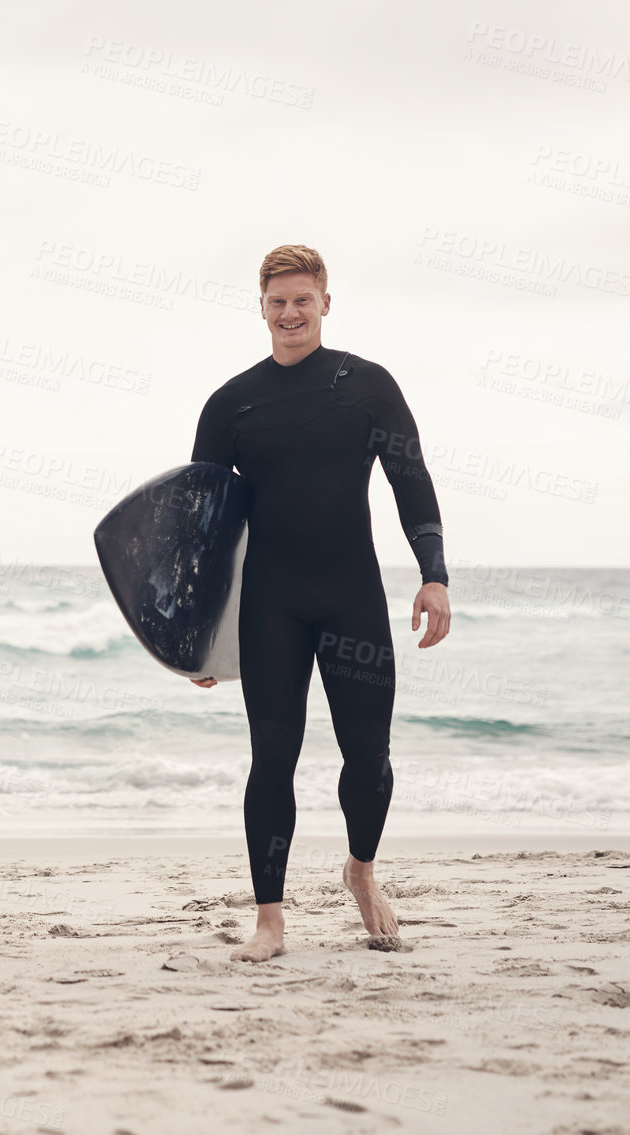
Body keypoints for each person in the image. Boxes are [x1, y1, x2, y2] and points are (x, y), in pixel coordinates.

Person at [189, 245, 451, 962]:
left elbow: (410, 477)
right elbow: (203, 525)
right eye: (277, 301)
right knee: (271, 757)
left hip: (351, 595)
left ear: (325, 303)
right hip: (270, 604)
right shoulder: (231, 404)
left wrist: (433, 572)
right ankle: (269, 921)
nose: (290, 312)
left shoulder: (367, 385)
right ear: (262, 307)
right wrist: (196, 634)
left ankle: (360, 869)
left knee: (368, 756)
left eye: (303, 299)